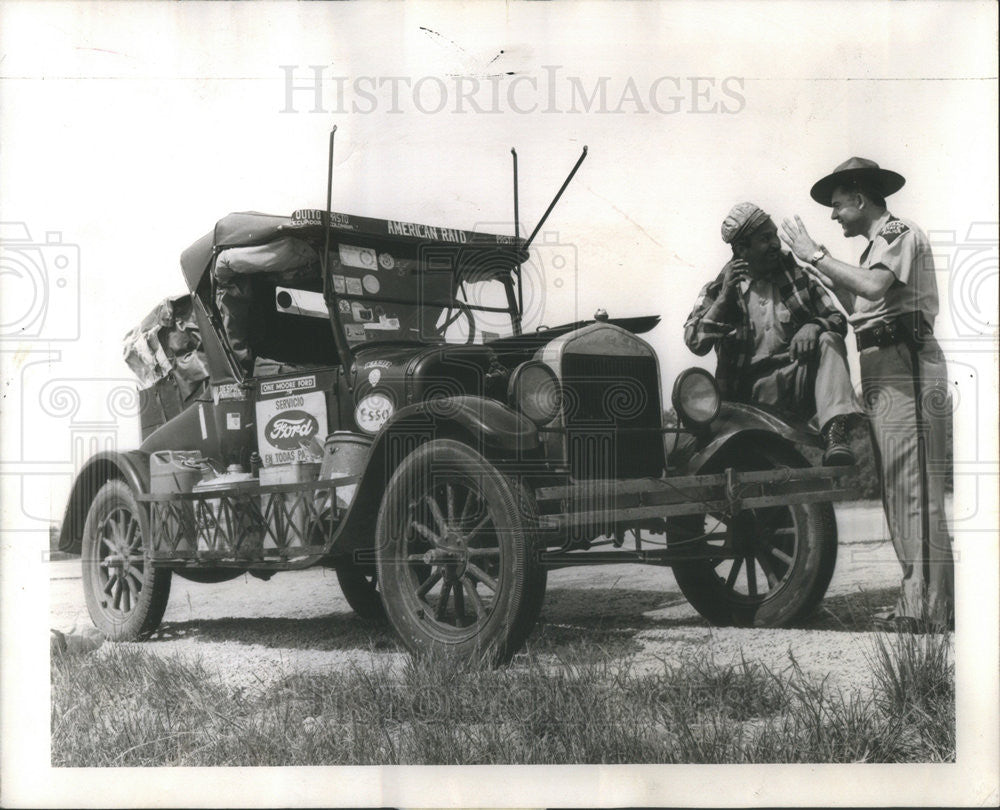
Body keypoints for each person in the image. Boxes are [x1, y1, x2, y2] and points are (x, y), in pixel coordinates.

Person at [780, 157, 954, 632]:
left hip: (906, 364)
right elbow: (858, 300)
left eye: (837, 206)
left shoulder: (897, 231)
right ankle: (923, 602)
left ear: (859, 199)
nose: (834, 216)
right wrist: (815, 266)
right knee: (900, 487)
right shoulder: (873, 247)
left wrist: (816, 256)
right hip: (883, 364)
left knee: (914, 487)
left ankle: (926, 609)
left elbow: (875, 289)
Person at [684, 202, 858, 466]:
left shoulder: (797, 276)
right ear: (742, 249)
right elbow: (694, 342)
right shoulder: (718, 288)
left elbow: (837, 319)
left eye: (775, 235)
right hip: (747, 399)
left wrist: (814, 325)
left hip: (795, 387)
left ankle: (835, 435)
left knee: (828, 338)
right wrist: (723, 300)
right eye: (765, 239)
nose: (776, 244)